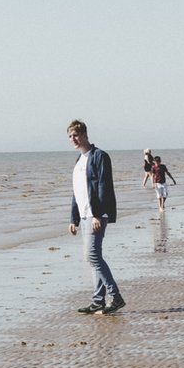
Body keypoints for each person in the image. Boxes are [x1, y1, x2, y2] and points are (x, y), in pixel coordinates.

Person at [66, 120, 125, 315]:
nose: (73, 139)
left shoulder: (99, 156)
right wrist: (73, 218)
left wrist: (98, 214)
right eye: (70, 136)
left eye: (75, 135)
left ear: (84, 135)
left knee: (91, 256)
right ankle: (98, 301)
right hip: (84, 215)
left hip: (96, 215)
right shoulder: (79, 160)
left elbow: (103, 186)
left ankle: (115, 297)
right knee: (93, 258)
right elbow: (77, 191)